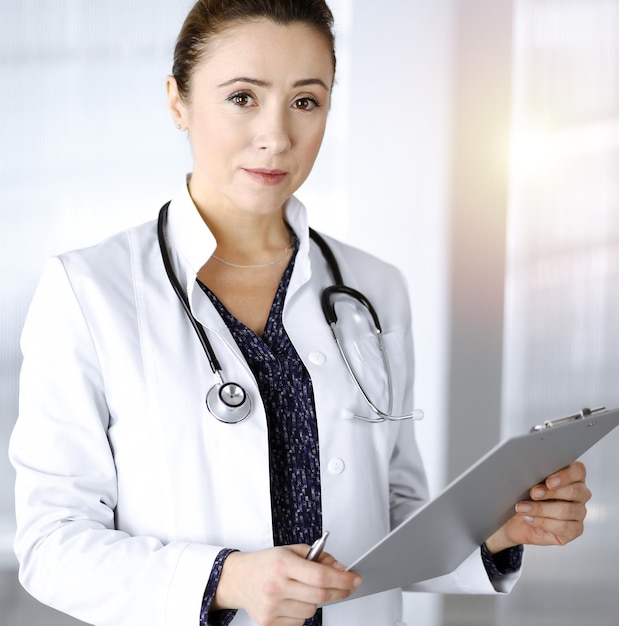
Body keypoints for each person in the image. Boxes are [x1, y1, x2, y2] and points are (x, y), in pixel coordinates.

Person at [9, 1, 591, 625]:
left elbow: (390, 519)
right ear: (177, 100)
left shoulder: (373, 289)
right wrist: (226, 579)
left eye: (306, 101)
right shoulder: (88, 291)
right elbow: (53, 543)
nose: (277, 136)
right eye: (242, 98)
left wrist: (494, 531)